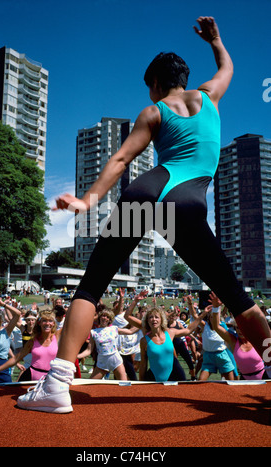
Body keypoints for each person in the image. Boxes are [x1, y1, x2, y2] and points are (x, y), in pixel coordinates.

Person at [17, 16, 271, 412]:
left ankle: (56, 384)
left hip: (146, 190)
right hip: (185, 203)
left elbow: (122, 158)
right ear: (184, 79)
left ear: (155, 84)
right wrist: (216, 40)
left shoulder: (153, 112)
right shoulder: (209, 97)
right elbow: (227, 68)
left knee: (92, 284)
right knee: (238, 298)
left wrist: (89, 200)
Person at [139, 306, 207, 382]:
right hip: (154, 376)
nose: (154, 319)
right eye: (151, 317)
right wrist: (141, 381)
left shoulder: (170, 332)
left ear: (161, 320)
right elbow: (143, 364)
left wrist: (202, 315)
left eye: (156, 317)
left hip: (175, 374)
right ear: (147, 321)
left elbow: (188, 330)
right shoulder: (144, 341)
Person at [209, 292, 268, 380]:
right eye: (237, 328)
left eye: (242, 328)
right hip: (244, 380)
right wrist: (216, 308)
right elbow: (216, 327)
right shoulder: (233, 342)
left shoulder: (257, 339)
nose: (239, 330)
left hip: (263, 378)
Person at [76, 308, 140, 380]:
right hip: (102, 362)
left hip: (116, 361)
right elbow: (88, 350)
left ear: (110, 320)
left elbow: (130, 331)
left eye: (107, 317)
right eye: (103, 316)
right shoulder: (94, 332)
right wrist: (76, 356)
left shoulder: (114, 329)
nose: (104, 318)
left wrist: (142, 324)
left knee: (124, 384)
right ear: (100, 318)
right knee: (90, 385)